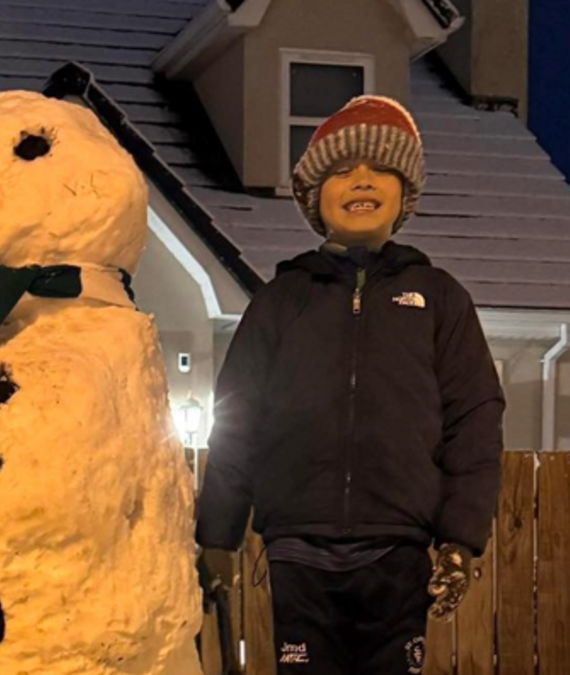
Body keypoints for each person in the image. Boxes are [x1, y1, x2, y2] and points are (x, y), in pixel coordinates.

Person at [196, 95, 505, 674]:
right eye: (341, 170)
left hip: (398, 550)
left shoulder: (439, 298)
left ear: (404, 193)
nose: (360, 180)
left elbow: (475, 418)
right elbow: (236, 418)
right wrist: (218, 532)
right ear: (314, 197)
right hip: (297, 548)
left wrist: (459, 536)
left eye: (379, 168)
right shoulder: (280, 300)